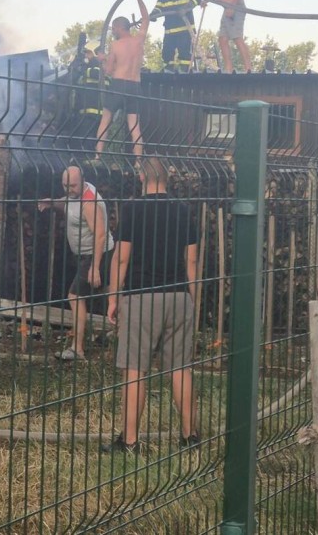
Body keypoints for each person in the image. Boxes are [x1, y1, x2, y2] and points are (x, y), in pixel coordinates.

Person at [104, 156, 199, 453]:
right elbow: (192, 261)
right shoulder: (183, 210)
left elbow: (121, 258)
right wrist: (192, 299)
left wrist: (113, 297)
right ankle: (190, 437)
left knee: (134, 369)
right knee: (181, 368)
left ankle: (130, 442)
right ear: (167, 179)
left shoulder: (133, 209)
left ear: (142, 178)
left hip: (142, 297)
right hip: (179, 296)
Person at [37, 165, 114, 362]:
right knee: (111, 293)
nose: (69, 189)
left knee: (75, 296)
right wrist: (52, 203)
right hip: (87, 255)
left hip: (96, 254)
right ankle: (124, 332)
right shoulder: (76, 194)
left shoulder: (89, 202)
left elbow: (100, 234)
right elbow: (67, 202)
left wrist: (95, 267)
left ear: (83, 181)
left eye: (72, 185)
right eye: (65, 185)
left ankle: (77, 349)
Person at [95, 0, 149, 159]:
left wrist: (103, 59)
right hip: (135, 86)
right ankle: (138, 161)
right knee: (135, 126)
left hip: (118, 84)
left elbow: (109, 70)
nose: (113, 31)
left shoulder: (115, 45)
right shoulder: (139, 41)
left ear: (119, 28)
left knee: (105, 120)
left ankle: (98, 156)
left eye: (114, 28)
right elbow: (146, 19)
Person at [150, 0, 199, 73]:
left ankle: (185, 72)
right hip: (170, 29)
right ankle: (169, 71)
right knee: (167, 53)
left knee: (185, 53)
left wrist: (186, 8)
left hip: (185, 29)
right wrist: (153, 14)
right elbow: (159, 6)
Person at [65, 39, 109, 152]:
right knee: (86, 140)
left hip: (92, 112)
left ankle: (87, 158)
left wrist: (81, 68)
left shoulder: (97, 65)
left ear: (95, 52)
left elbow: (96, 73)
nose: (86, 55)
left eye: (88, 52)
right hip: (88, 111)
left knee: (87, 141)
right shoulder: (94, 65)